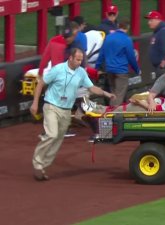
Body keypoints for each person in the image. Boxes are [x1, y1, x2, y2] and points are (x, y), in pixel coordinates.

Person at [30, 48, 116, 181]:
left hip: (66, 110)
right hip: (51, 106)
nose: (80, 62)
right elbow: (41, 82)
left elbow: (91, 87)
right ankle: (37, 162)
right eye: (78, 59)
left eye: (81, 60)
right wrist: (35, 103)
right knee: (52, 134)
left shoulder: (81, 72)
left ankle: (42, 166)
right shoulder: (58, 69)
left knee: (58, 139)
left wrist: (106, 94)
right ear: (70, 58)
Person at [95, 19, 141, 106]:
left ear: (118, 26)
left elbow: (101, 54)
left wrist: (97, 68)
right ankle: (114, 115)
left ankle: (112, 112)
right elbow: (131, 57)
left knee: (113, 93)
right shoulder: (127, 39)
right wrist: (137, 69)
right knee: (119, 95)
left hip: (109, 70)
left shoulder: (108, 37)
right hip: (121, 71)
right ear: (127, 28)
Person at [145, 10, 165, 77]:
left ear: (157, 20)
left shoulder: (163, 31)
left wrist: (162, 64)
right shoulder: (158, 32)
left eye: (151, 20)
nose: (148, 23)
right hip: (160, 67)